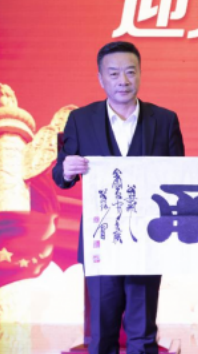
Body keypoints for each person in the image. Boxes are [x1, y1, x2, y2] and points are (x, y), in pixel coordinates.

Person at [52, 41, 185, 354]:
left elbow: (179, 177)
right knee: (101, 333)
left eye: (130, 72)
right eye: (113, 74)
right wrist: (67, 169)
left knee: (143, 333)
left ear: (140, 74)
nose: (123, 81)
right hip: (101, 240)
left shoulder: (165, 120)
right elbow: (60, 175)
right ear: (100, 78)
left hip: (147, 240)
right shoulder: (80, 120)